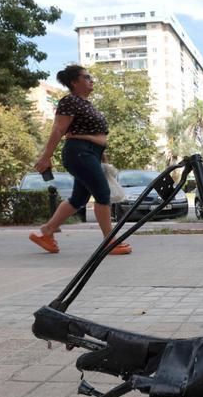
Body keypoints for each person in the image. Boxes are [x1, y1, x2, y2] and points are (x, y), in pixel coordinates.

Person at [29, 65, 131, 255]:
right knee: (102, 194)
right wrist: (46, 156)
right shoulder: (69, 101)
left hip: (91, 154)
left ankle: (47, 232)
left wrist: (103, 159)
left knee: (79, 198)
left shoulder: (86, 104)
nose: (91, 80)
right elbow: (58, 129)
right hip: (79, 153)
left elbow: (96, 135)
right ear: (75, 82)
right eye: (86, 77)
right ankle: (110, 242)